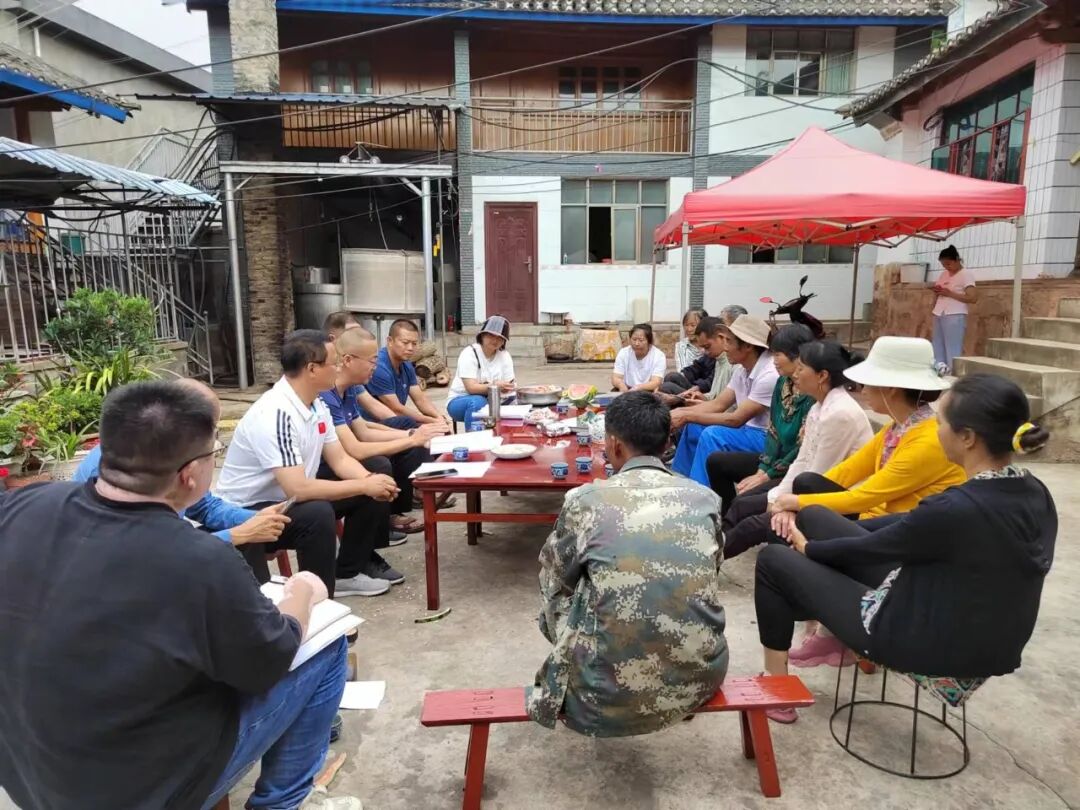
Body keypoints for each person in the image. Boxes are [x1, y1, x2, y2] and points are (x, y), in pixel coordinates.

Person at [0, 381, 361, 810]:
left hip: (28, 772)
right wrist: (302, 592)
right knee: (327, 648)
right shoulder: (199, 560)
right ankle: (281, 803)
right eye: (214, 453)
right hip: (144, 792)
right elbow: (268, 661)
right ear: (191, 474)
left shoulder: (26, 504)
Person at [755, 373, 1054, 724]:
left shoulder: (956, 508)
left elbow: (878, 544)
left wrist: (809, 549)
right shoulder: (1035, 492)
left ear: (968, 438)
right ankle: (831, 634)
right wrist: (816, 530)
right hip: (981, 637)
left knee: (773, 560)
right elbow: (897, 531)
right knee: (817, 516)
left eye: (941, 423)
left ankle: (778, 690)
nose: (935, 430)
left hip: (927, 645)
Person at [527, 392, 728, 736]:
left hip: (600, 697)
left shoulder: (586, 500)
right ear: (667, 444)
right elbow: (714, 569)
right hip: (699, 679)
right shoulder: (705, 498)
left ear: (614, 445)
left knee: (559, 586)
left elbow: (557, 579)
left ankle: (595, 660)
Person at [767, 336, 966, 667]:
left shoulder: (927, 440)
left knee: (794, 540)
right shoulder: (897, 428)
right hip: (877, 521)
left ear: (890, 389)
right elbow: (845, 472)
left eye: (869, 383)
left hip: (903, 538)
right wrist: (792, 500)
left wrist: (793, 503)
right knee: (806, 489)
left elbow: (865, 495)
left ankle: (833, 628)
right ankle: (829, 627)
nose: (861, 389)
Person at [217, 329, 403, 598]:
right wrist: (364, 486)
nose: (339, 368)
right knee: (317, 513)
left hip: (287, 501)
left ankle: (347, 573)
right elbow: (298, 489)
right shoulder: (276, 412)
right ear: (312, 369)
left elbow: (340, 459)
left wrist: (370, 481)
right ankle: (316, 598)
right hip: (251, 509)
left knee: (375, 476)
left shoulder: (317, 404)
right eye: (334, 363)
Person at [73, 377, 292, 550]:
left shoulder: (173, 452)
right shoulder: (116, 470)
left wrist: (256, 519)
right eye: (211, 430)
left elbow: (204, 507)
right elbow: (150, 551)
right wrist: (238, 534)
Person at [721, 341, 873, 560]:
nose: (795, 374)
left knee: (753, 526)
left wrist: (787, 506)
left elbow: (819, 475)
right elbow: (802, 462)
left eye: (801, 368)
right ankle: (710, 556)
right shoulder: (819, 407)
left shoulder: (841, 414)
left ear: (822, 376)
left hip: (836, 505)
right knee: (741, 505)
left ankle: (706, 563)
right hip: (808, 492)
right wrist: (777, 499)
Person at [320, 326, 446, 536]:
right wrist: (412, 439)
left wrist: (414, 434)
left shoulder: (349, 388)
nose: (375, 366)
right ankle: (385, 523)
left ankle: (400, 506)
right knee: (379, 464)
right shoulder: (326, 394)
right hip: (323, 465)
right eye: (372, 361)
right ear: (348, 360)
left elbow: (364, 431)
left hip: (340, 456)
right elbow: (355, 449)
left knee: (403, 435)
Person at [704, 324, 815, 514]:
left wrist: (766, 475)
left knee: (743, 502)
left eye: (778, 355)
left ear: (798, 356)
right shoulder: (782, 383)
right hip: (774, 461)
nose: (774, 361)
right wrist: (762, 469)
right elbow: (773, 433)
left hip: (795, 468)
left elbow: (801, 449)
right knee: (716, 461)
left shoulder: (811, 393)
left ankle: (730, 519)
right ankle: (720, 512)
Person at [670, 315, 778, 484]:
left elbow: (736, 419)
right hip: (746, 430)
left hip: (765, 436)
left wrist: (686, 415)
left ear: (748, 346)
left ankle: (702, 491)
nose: (725, 347)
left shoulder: (769, 374)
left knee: (713, 435)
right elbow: (717, 404)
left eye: (729, 342)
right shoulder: (742, 370)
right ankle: (681, 481)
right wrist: (679, 412)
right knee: (693, 426)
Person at [323, 310, 410, 429]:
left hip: (357, 429)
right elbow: (354, 439)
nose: (359, 336)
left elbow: (365, 423)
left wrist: (409, 431)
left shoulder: (350, 383)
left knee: (405, 423)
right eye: (352, 333)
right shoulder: (327, 388)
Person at [367, 319, 453, 429]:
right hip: (375, 425)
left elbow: (420, 400)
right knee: (429, 428)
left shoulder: (406, 365)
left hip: (396, 420)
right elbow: (396, 409)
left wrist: (439, 417)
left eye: (414, 343)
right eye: (405, 343)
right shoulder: (379, 367)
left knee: (441, 427)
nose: (410, 348)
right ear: (390, 341)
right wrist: (432, 421)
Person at [446, 314, 516, 430]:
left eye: (500, 337)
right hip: (459, 401)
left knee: (515, 404)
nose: (495, 340)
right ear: (482, 335)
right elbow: (471, 388)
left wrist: (508, 388)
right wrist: (495, 386)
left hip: (492, 401)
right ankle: (475, 438)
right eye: (491, 335)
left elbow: (510, 385)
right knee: (478, 402)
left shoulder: (505, 356)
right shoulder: (469, 353)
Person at [930, 245, 977, 375]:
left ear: (957, 260)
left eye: (949, 264)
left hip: (955, 314)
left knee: (952, 347)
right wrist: (937, 293)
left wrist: (950, 294)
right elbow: (940, 290)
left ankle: (952, 375)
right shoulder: (944, 274)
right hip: (939, 312)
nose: (947, 267)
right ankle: (939, 372)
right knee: (937, 346)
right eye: (944, 265)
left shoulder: (966, 274)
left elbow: (973, 298)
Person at [611, 323, 667, 393]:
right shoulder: (623, 353)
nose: (636, 343)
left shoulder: (659, 356)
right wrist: (621, 386)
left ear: (649, 341)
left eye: (641, 340)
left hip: (648, 390)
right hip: (627, 389)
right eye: (634, 339)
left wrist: (638, 388)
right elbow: (616, 377)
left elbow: (656, 382)